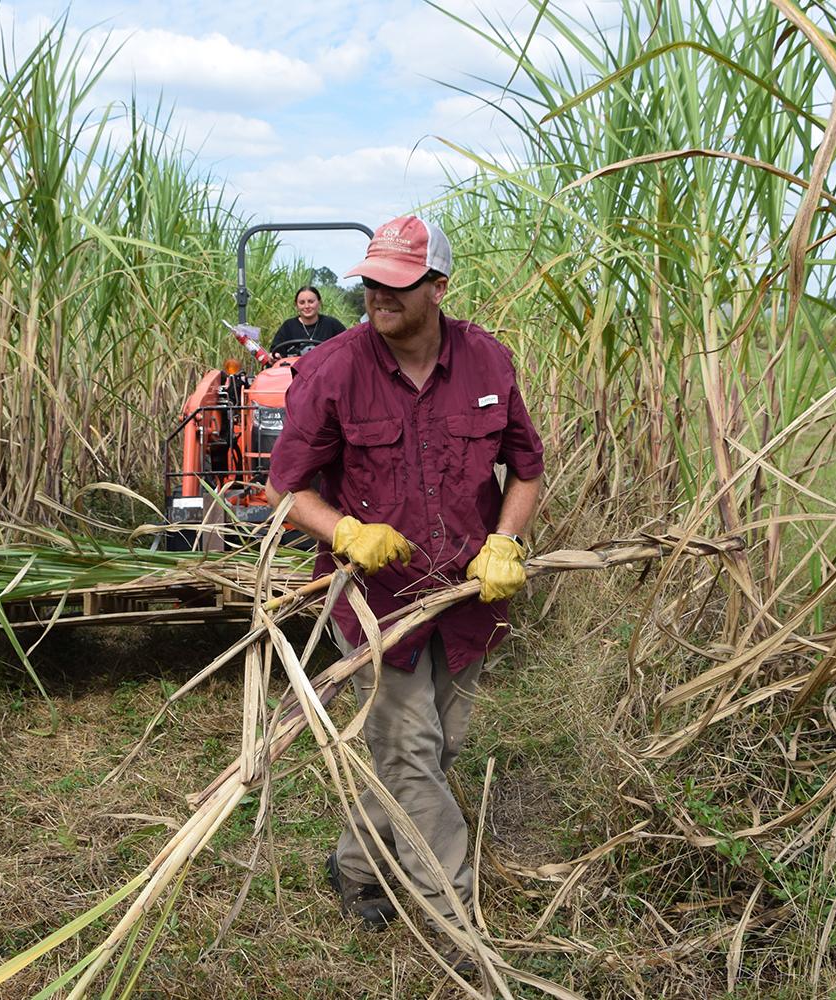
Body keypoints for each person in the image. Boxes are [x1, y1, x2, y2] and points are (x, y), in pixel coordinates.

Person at [265, 215, 544, 970]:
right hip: (372, 601)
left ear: (438, 288)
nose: (376, 297)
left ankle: (355, 865)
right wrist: (347, 532)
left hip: (465, 598)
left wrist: (507, 540)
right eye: (369, 283)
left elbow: (527, 466)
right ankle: (452, 917)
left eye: (395, 284)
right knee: (413, 753)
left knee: (434, 747)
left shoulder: (487, 362)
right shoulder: (331, 368)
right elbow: (285, 488)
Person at [269, 285, 347, 357]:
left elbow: (348, 347)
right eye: (302, 303)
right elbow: (276, 352)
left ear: (319, 303)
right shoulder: (288, 326)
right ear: (296, 305)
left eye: (311, 302)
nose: (306, 306)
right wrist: (275, 356)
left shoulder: (332, 324)